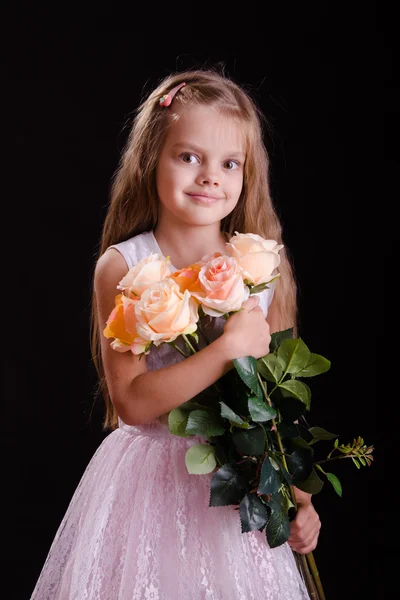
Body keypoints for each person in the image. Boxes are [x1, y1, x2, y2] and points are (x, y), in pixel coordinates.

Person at [30, 68, 321, 599]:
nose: (210, 176)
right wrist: (227, 348)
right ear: (151, 161)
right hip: (147, 489)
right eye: (189, 157)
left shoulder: (256, 266)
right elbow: (133, 404)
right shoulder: (125, 267)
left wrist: (300, 499)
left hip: (233, 486)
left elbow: (270, 403)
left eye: (229, 163)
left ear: (246, 174)